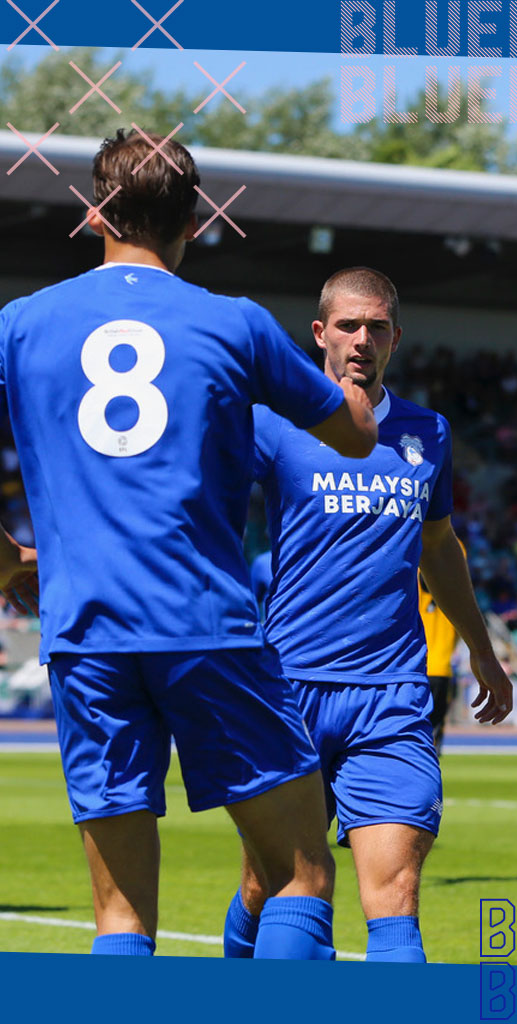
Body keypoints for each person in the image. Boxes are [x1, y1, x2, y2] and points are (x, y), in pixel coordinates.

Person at [0, 129, 379, 957]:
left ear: (93, 213)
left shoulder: (20, 325)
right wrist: (358, 376)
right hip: (205, 625)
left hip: (86, 635)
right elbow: (354, 437)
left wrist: (7, 561)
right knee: (300, 874)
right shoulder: (235, 323)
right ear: (195, 223)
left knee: (120, 917)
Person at [223, 267, 513, 963]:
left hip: (392, 695)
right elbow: (207, 511)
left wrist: (482, 650)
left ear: (395, 339)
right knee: (273, 883)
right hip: (289, 689)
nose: (362, 339)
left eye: (376, 327)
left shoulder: (428, 433)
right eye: (348, 325)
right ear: (319, 333)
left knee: (396, 895)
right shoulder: (274, 423)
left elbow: (438, 547)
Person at [418, 561, 461, 751]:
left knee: (414, 725)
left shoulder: (419, 601)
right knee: (435, 729)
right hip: (442, 670)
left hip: (419, 670)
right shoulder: (453, 603)